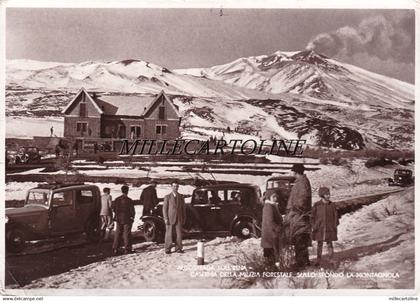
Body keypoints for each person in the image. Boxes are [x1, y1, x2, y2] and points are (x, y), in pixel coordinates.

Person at [284, 163, 312, 269]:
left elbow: (302, 199)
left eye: (293, 171)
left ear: (296, 172)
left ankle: (302, 264)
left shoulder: (302, 183)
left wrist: (295, 209)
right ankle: (303, 262)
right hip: (298, 216)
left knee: (300, 239)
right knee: (299, 239)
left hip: (299, 217)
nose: (292, 173)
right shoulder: (301, 182)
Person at [311, 187, 339, 266]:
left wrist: (334, 225)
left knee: (329, 243)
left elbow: (336, 216)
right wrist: (314, 225)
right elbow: (312, 217)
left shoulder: (332, 205)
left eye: (329, 194)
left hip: (329, 228)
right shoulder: (317, 205)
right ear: (322, 195)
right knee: (319, 244)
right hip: (319, 228)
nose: (328, 196)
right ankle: (318, 260)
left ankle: (331, 259)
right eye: (326, 194)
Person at [261, 191, 284, 266]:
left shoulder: (272, 206)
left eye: (276, 197)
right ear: (269, 197)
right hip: (270, 233)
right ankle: (271, 269)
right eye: (273, 197)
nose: (275, 198)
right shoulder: (269, 206)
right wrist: (278, 228)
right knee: (271, 252)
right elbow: (270, 221)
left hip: (270, 233)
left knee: (270, 252)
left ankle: (271, 267)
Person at [163, 182, 186, 254]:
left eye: (176, 186)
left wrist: (184, 217)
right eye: (174, 186)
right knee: (168, 234)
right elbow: (164, 209)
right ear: (171, 187)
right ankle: (167, 248)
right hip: (170, 218)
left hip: (179, 218)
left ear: (178, 187)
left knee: (179, 234)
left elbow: (183, 208)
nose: (175, 188)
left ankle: (178, 248)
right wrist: (166, 218)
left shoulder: (181, 197)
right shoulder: (167, 197)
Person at [112, 185, 135, 255]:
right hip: (127, 219)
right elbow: (132, 210)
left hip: (118, 218)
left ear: (121, 191)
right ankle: (127, 249)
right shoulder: (129, 200)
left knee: (118, 233)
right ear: (127, 191)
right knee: (127, 233)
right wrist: (132, 216)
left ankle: (116, 248)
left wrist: (117, 215)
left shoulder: (117, 199)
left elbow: (113, 208)